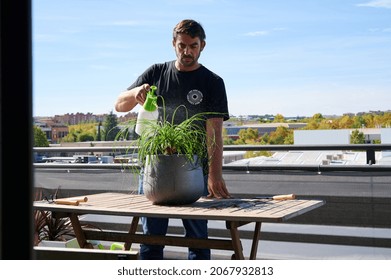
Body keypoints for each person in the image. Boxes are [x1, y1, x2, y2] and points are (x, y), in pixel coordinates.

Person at [115, 19, 231, 260]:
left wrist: (215, 174)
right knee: (151, 240)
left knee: (198, 241)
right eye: (182, 45)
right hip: (154, 169)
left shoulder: (213, 82)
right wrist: (134, 94)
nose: (187, 51)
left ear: (202, 46)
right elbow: (119, 105)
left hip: (194, 169)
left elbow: (214, 134)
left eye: (193, 46)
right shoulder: (156, 72)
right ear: (173, 44)